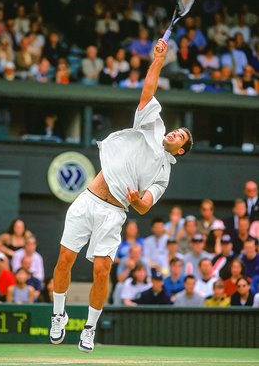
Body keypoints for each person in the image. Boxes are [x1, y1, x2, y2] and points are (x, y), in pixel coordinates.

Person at [49, 38, 193, 353]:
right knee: (64, 259)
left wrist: (136, 198)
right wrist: (158, 59)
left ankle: (89, 328)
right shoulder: (152, 126)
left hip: (114, 214)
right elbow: (148, 91)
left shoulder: (162, 175)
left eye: (179, 136)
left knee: (102, 271)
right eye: (176, 129)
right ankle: (57, 315)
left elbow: (144, 208)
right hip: (88, 200)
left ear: (179, 150)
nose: (173, 132)